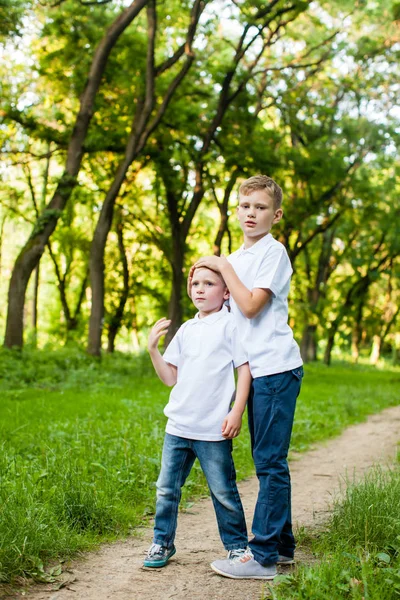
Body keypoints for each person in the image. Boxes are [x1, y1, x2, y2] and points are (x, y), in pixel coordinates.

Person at [192, 174, 303, 580]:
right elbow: (223, 313)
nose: (251, 213)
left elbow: (253, 306)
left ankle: (262, 557)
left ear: (275, 215)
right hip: (254, 373)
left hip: (276, 368)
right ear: (235, 211)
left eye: (260, 207)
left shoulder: (274, 254)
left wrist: (223, 265)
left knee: (270, 463)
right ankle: (283, 548)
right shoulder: (235, 262)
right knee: (267, 460)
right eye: (245, 206)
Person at [143, 266, 252, 569]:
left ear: (226, 292)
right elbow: (169, 377)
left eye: (209, 283)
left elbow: (244, 370)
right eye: (195, 284)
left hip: (212, 429)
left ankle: (237, 547)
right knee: (166, 488)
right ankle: (161, 543)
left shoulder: (230, 325)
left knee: (222, 490)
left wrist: (236, 410)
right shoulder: (187, 330)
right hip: (178, 426)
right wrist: (153, 349)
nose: (200, 289)